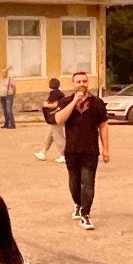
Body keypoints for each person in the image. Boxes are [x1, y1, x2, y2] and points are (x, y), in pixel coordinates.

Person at [53, 71, 109, 231]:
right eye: (78, 81)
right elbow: (59, 119)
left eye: (84, 81)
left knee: (88, 183)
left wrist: (106, 149)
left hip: (90, 150)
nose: (82, 84)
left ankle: (86, 215)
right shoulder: (65, 101)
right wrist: (74, 102)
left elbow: (103, 126)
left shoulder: (97, 103)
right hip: (71, 150)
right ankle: (78, 204)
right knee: (74, 183)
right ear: (73, 83)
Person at [34, 78, 66, 163]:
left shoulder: (54, 93)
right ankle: (43, 152)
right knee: (50, 135)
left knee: (58, 136)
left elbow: (55, 104)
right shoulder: (60, 93)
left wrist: (46, 104)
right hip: (58, 116)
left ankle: (64, 155)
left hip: (56, 117)